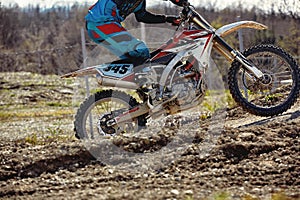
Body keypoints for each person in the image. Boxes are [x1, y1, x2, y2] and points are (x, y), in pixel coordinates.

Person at [85, 0, 187, 66]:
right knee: (140, 51)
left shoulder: (140, 2)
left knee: (138, 58)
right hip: (100, 23)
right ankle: (105, 73)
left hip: (106, 25)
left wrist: (168, 19)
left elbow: (142, 16)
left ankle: (149, 91)